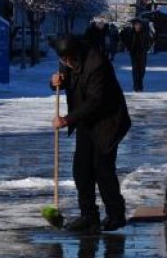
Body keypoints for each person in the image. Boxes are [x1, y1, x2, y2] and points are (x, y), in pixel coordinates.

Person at [50, 33, 131, 233]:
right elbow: (66, 82)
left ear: (77, 52)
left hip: (108, 121)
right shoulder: (66, 59)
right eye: (63, 60)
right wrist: (55, 83)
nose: (67, 63)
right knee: (81, 170)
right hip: (86, 122)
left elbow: (96, 101)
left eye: (70, 59)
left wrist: (67, 119)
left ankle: (116, 215)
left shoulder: (97, 64)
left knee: (102, 169)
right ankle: (89, 216)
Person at [123, 19, 153, 92]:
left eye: (138, 25)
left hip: (142, 53)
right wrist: (128, 47)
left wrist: (147, 48)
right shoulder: (131, 32)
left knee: (142, 70)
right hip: (134, 53)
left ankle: (140, 84)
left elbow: (150, 40)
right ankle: (136, 86)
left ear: (141, 26)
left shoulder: (144, 33)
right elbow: (125, 39)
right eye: (136, 25)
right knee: (135, 70)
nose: (137, 26)